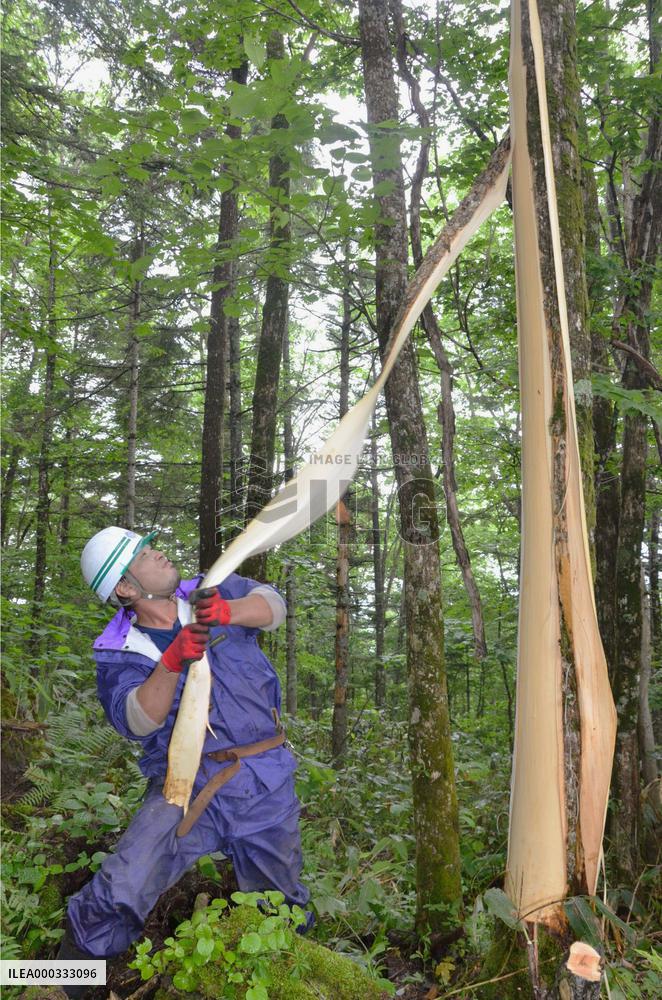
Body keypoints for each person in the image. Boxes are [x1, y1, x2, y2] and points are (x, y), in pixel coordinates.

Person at [58, 526, 311, 991]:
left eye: (152, 545)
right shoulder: (118, 648)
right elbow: (136, 718)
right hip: (184, 784)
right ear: (125, 588)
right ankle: (61, 982)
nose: (158, 552)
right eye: (142, 554)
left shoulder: (206, 590)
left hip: (263, 778)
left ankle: (282, 981)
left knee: (281, 903)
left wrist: (228, 611)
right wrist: (171, 661)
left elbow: (273, 606)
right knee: (125, 882)